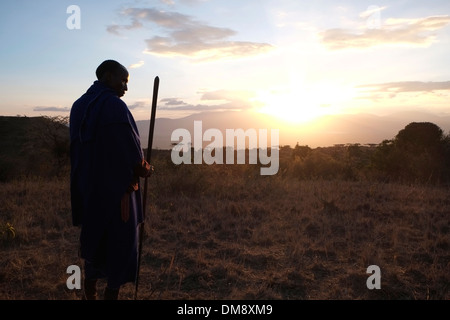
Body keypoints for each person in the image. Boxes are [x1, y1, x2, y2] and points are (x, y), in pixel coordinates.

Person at [69, 60, 153, 300]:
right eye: (123, 80)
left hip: (88, 192)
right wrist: (146, 170)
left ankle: (90, 292)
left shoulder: (78, 106)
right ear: (107, 77)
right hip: (118, 196)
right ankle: (110, 294)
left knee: (96, 241)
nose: (125, 88)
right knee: (120, 245)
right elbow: (131, 155)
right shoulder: (114, 107)